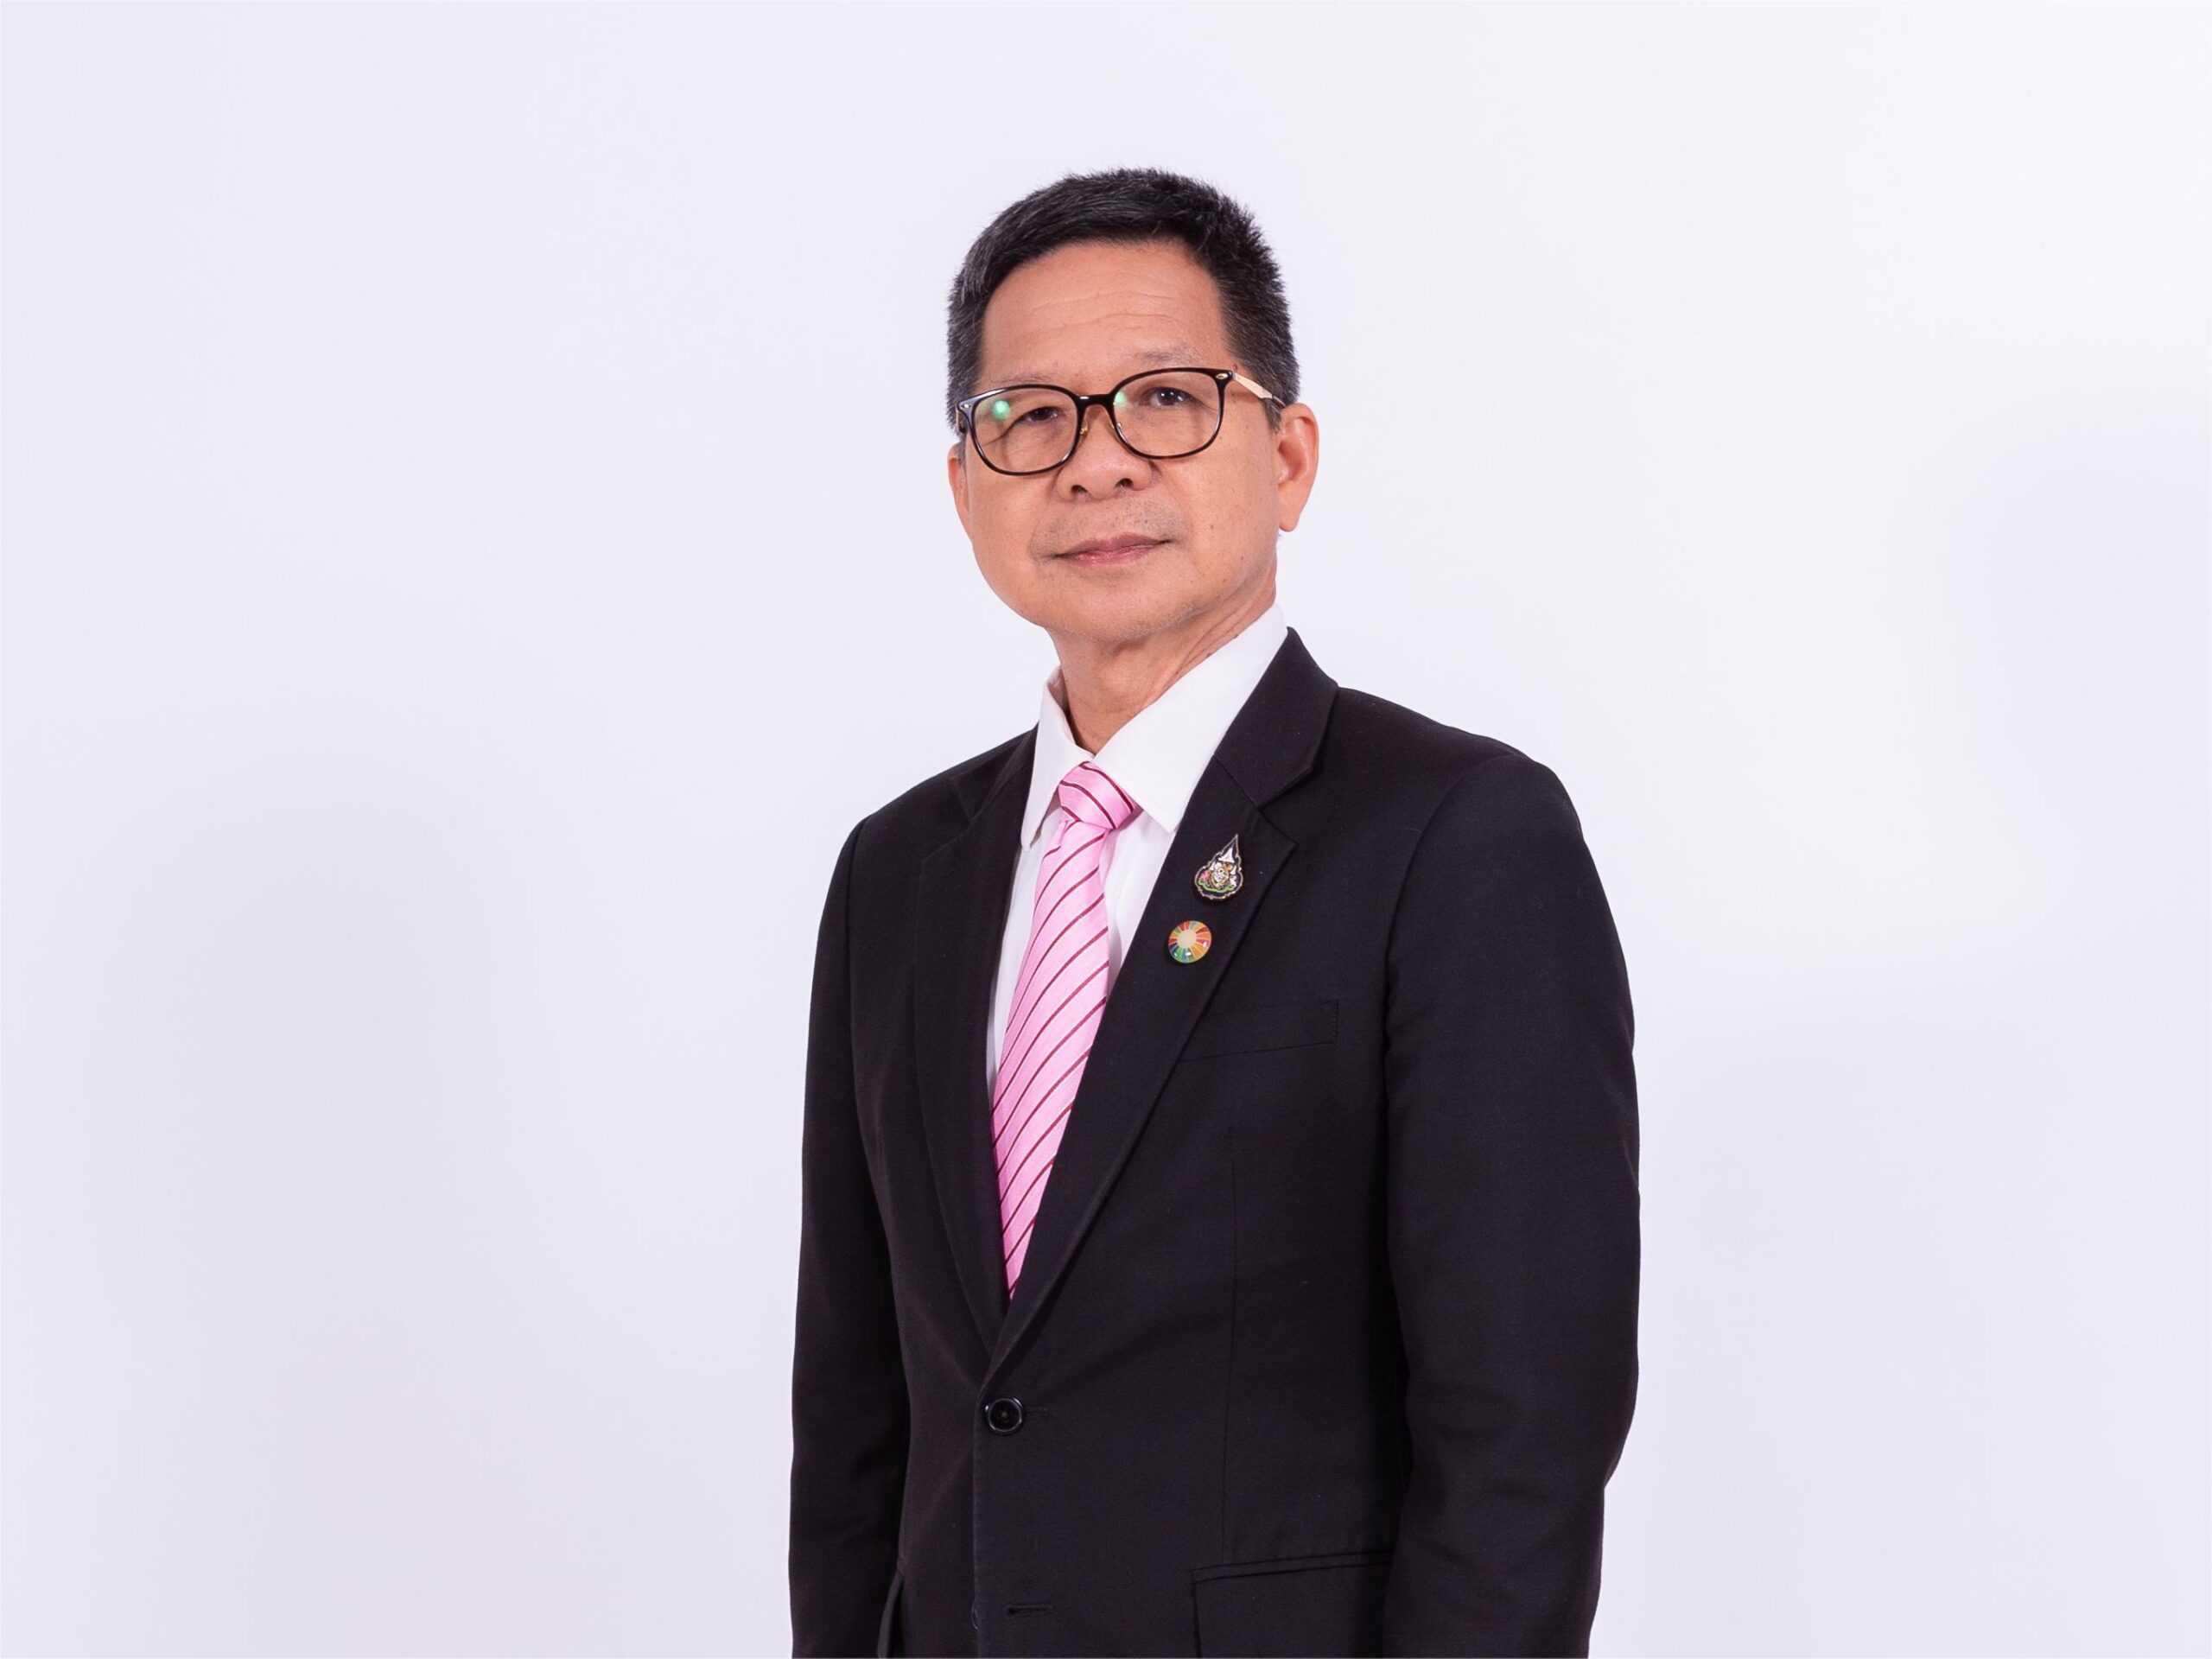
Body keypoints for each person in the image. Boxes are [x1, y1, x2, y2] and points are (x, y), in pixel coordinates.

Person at [788, 167, 1640, 1659]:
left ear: (1288, 457)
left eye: (1167, 401)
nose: (1095, 464)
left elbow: (1521, 1438)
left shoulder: (1455, 836)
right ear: (967, 485)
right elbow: (857, 1418)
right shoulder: (899, 873)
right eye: (1031, 417)